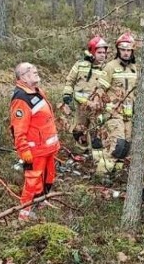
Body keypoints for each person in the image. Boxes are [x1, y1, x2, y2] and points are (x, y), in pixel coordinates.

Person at [9, 61, 60, 219]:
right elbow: (18, 129)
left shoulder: (36, 91)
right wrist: (24, 150)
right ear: (23, 77)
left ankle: (40, 202)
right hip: (34, 150)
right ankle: (24, 212)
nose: (36, 72)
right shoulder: (21, 98)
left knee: (48, 177)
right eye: (32, 71)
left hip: (47, 148)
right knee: (32, 180)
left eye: (36, 70)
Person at [92, 31, 138, 180]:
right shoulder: (110, 67)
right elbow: (100, 90)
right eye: (123, 50)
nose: (125, 53)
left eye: (128, 50)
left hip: (129, 115)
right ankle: (101, 176)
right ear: (118, 50)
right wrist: (99, 112)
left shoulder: (134, 69)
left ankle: (115, 176)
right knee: (117, 145)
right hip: (113, 114)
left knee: (125, 147)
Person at [61, 36, 108, 154]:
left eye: (104, 52)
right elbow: (70, 80)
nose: (103, 55)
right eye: (99, 52)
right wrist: (67, 94)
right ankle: (81, 154)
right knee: (79, 131)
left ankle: (96, 157)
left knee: (96, 133)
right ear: (92, 51)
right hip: (80, 106)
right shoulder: (80, 65)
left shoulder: (106, 69)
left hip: (96, 107)